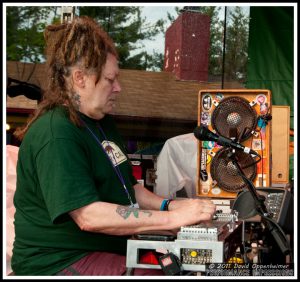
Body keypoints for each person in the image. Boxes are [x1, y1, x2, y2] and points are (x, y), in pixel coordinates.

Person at [11, 16, 216, 276]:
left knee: (184, 267)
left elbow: (129, 188)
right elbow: (89, 216)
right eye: (110, 79)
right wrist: (173, 220)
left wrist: (170, 207)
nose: (118, 88)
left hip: (107, 248)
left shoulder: (101, 123)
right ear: (79, 78)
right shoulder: (57, 133)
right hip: (57, 261)